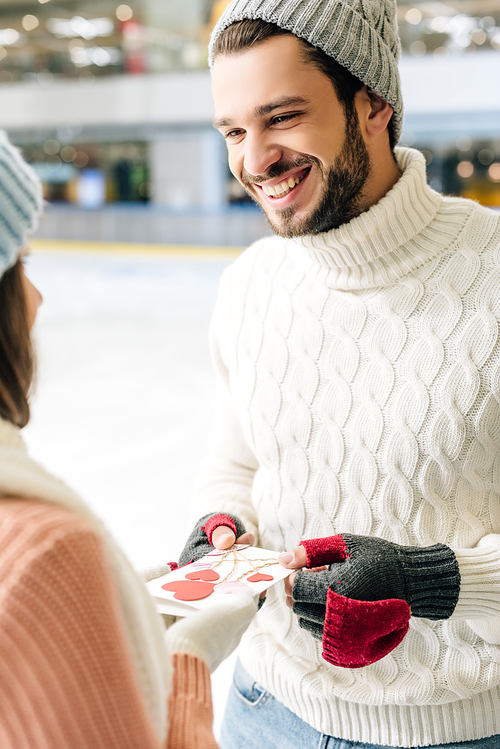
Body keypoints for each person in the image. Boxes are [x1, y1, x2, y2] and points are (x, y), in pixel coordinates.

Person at [177, 1, 500, 747]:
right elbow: (237, 460)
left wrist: (431, 581)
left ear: (374, 103)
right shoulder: (252, 283)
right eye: (233, 130)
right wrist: (221, 523)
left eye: (282, 116)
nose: (254, 159)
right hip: (264, 710)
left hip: (456, 731)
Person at [0, 129, 258, 749]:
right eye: (21, 263)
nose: (37, 298)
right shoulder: (43, 551)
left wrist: (118, 605)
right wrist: (186, 654)